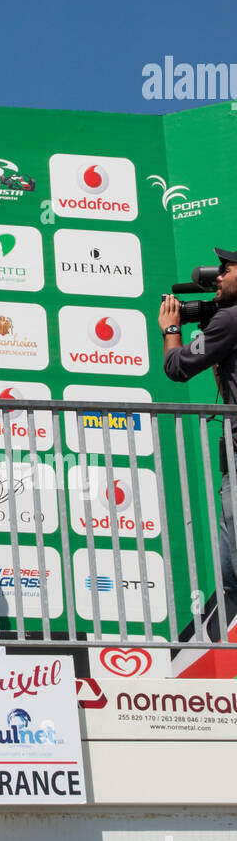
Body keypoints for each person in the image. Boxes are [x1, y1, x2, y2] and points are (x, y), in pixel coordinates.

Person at [162, 247, 237, 614]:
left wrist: (172, 329)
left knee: (234, 575)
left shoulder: (230, 320)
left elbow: (177, 367)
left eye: (226, 269)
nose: (218, 277)